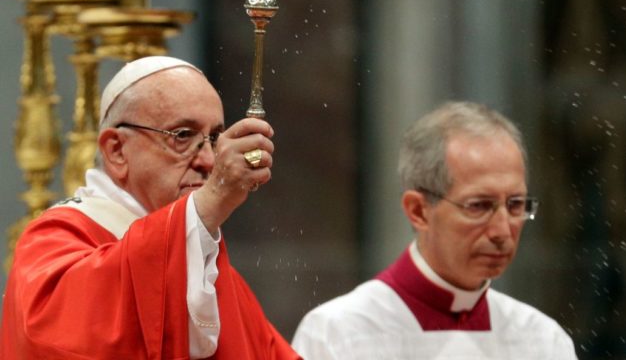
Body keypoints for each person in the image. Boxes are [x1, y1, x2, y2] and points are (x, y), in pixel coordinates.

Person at [1, 56, 301, 359]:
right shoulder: (55, 239)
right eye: (182, 135)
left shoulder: (205, 267)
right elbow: (56, 337)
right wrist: (212, 201)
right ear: (116, 150)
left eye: (213, 138)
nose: (209, 160)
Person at [292, 101, 578, 359]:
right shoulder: (338, 335)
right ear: (418, 211)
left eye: (515, 204)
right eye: (479, 205)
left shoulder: (542, 341)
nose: (502, 231)